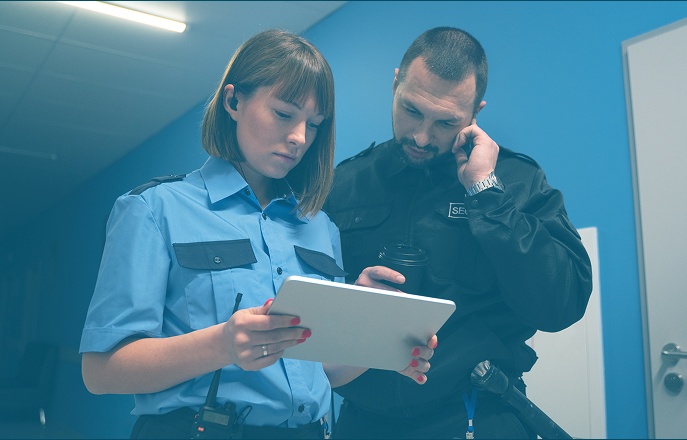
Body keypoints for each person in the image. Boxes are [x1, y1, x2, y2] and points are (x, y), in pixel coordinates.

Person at [79, 29, 434, 439]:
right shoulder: (154, 209)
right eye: (284, 114)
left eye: (313, 125)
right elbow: (100, 371)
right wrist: (224, 344)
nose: (300, 138)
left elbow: (321, 371)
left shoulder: (320, 227)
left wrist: (379, 341)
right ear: (233, 100)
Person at [323, 27, 593, 439]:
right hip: (362, 421)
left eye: (445, 122)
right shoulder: (345, 182)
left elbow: (562, 304)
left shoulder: (515, 180)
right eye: (411, 110)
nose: (421, 136)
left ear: (475, 113)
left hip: (477, 415)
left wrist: (486, 192)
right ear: (395, 83)